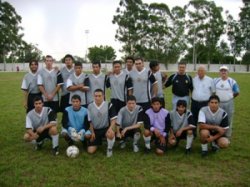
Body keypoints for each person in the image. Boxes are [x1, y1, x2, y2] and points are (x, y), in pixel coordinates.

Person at [87, 89, 117, 157]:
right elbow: (90, 121)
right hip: (95, 130)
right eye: (96, 96)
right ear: (93, 96)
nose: (97, 98)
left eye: (99, 96)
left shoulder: (109, 104)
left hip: (105, 128)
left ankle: (109, 149)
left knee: (111, 133)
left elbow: (113, 119)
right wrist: (92, 132)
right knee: (90, 151)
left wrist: (110, 128)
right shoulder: (90, 106)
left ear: (103, 96)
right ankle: (98, 142)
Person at [214, 65, 240, 138]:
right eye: (222, 70)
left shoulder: (232, 81)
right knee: (217, 119)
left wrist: (230, 97)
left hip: (229, 103)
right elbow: (213, 91)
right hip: (218, 103)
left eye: (225, 71)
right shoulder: (216, 80)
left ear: (227, 72)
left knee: (228, 119)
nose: (223, 72)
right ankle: (218, 134)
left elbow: (237, 92)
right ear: (219, 72)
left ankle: (227, 135)